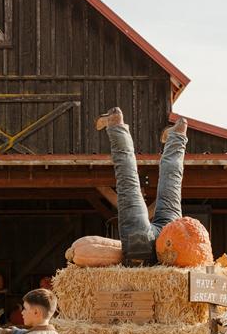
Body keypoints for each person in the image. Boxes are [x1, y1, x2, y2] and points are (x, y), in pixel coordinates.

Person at [69, 108, 188, 266]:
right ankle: (116, 124)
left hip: (165, 237)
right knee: (128, 180)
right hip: (154, 245)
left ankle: (178, 137)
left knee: (171, 183)